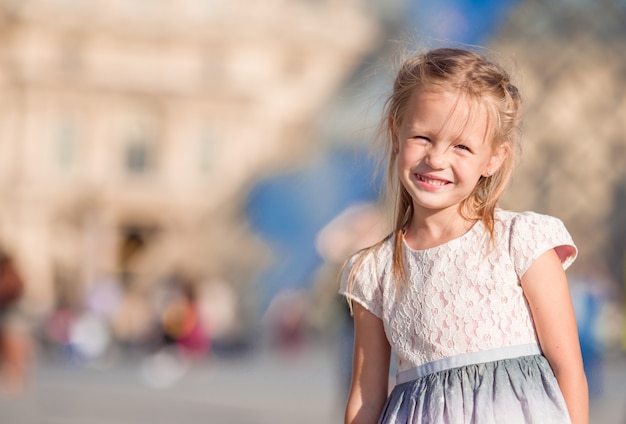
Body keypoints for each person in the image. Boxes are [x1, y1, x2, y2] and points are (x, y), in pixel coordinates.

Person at [339, 47, 588, 424]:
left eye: (462, 146)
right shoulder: (373, 271)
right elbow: (367, 398)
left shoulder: (521, 241)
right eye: (423, 137)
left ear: (493, 159)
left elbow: (568, 369)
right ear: (396, 132)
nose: (436, 159)